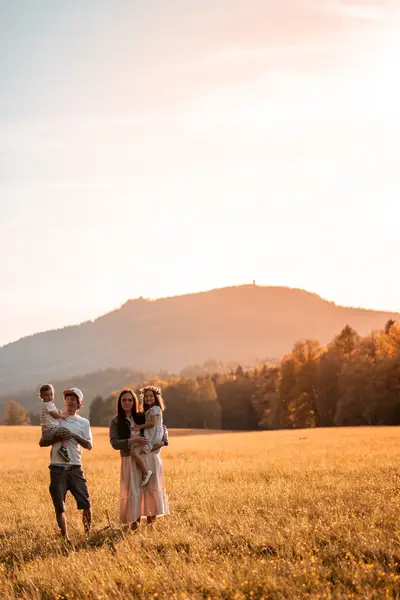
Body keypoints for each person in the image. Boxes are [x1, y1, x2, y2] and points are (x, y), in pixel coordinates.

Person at [109, 388, 169, 529]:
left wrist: (164, 441)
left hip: (148, 457)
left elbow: (161, 426)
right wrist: (131, 441)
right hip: (130, 459)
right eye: (124, 400)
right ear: (120, 402)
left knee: (150, 489)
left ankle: (150, 526)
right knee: (134, 492)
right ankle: (134, 526)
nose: (127, 402)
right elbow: (114, 443)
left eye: (130, 400)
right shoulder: (116, 421)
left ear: (135, 401)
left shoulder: (141, 416)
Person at [39, 387, 93, 544]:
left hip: (75, 467)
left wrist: (74, 436)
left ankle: (88, 535)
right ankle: (65, 539)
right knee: (59, 506)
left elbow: (89, 445)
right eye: (67, 398)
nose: (69, 401)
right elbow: (42, 442)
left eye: (73, 399)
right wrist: (57, 436)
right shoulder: (55, 418)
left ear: (79, 403)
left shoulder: (84, 423)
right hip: (57, 468)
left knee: (86, 504)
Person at [40, 383, 71, 462]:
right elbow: (54, 414)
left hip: (47, 431)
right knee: (67, 432)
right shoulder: (48, 404)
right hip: (50, 430)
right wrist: (62, 415)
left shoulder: (47, 405)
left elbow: (53, 413)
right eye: (46, 395)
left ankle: (53, 459)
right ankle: (63, 449)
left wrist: (58, 412)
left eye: (51, 394)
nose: (49, 397)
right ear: (41, 396)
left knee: (55, 444)